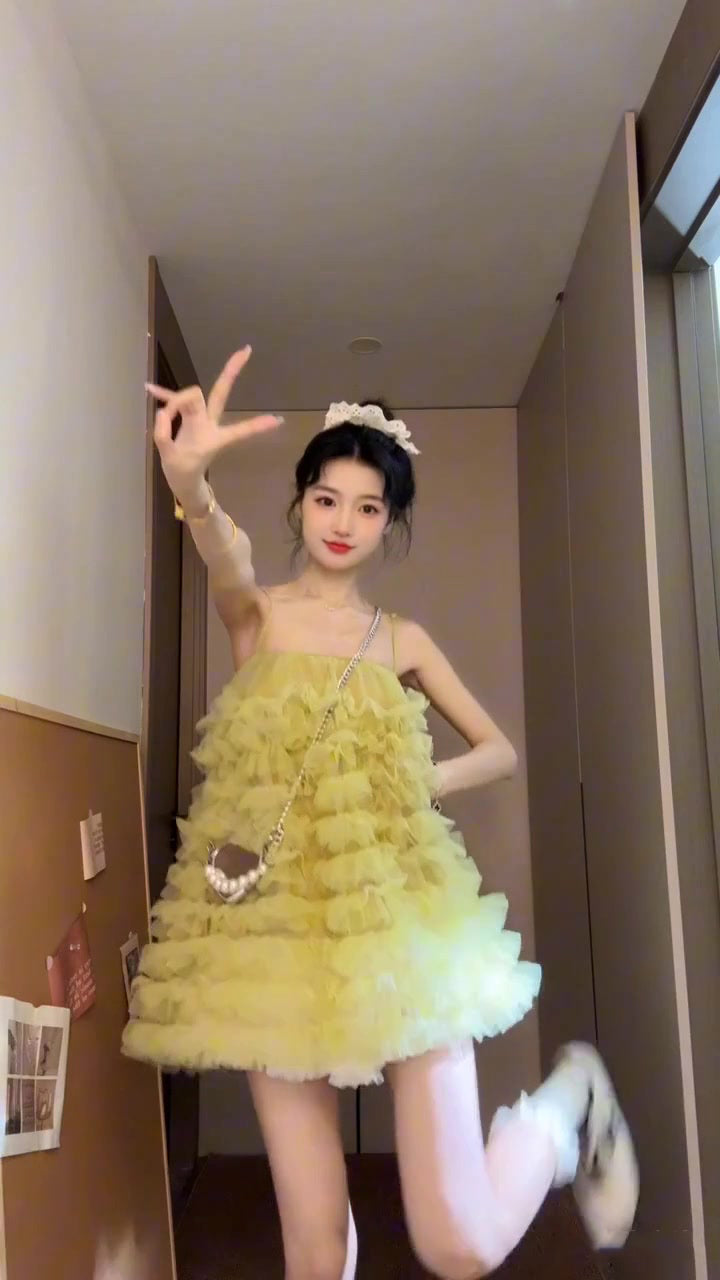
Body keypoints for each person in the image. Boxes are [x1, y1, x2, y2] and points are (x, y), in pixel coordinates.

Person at [122, 347, 638, 1280]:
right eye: (328, 498)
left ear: (390, 522)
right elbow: (225, 556)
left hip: (397, 924)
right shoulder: (258, 616)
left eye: (368, 507)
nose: (344, 522)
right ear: (300, 503)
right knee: (315, 1252)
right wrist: (189, 483)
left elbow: (499, 750)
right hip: (275, 932)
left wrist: (413, 782)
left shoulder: (402, 640)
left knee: (458, 1246)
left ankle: (569, 1103)